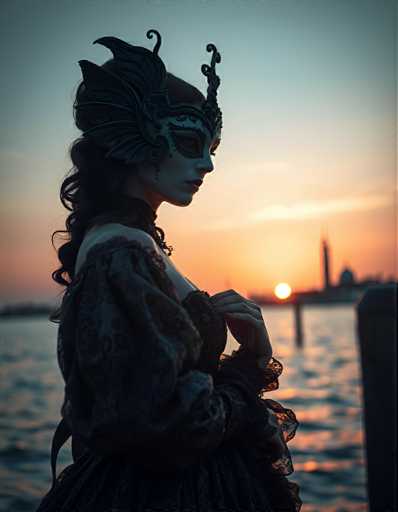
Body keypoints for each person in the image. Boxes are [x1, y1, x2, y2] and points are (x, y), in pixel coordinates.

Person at [35, 29, 302, 511]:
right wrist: (248, 367)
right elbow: (166, 423)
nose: (206, 165)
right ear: (131, 139)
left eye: (211, 148)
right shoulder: (122, 253)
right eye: (188, 141)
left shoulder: (132, 243)